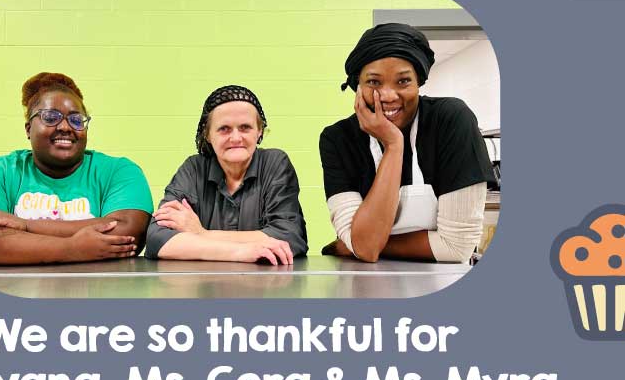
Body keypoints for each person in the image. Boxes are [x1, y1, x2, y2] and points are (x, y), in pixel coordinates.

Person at [319, 23, 496, 263]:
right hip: (364, 280)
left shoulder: (451, 121)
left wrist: (354, 245)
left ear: (418, 82)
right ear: (357, 85)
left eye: (403, 81)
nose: (388, 96)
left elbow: (457, 247)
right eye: (374, 82)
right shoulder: (338, 139)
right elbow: (367, 248)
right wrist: (394, 145)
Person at [0, 72, 153, 265]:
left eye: (76, 120)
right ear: (28, 128)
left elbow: (127, 233)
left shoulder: (119, 171)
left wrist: (24, 225)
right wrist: (71, 249)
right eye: (51, 118)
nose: (65, 127)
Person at [145, 85, 308, 264]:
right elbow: (157, 239)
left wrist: (202, 233)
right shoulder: (193, 169)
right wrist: (241, 252)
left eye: (245, 127)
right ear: (207, 134)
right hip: (204, 281)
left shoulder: (275, 163)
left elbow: (288, 235)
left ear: (259, 131)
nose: (236, 138)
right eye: (224, 129)